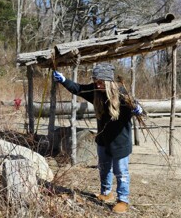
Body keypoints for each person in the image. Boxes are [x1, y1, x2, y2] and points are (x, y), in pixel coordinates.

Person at [53, 63, 143, 214]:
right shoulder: (95, 92)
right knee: (104, 168)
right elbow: (79, 89)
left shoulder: (122, 95)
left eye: (100, 81)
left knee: (121, 172)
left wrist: (138, 110)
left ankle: (123, 200)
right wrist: (63, 80)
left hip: (120, 142)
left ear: (107, 81)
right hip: (103, 140)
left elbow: (138, 107)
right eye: (95, 81)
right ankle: (106, 193)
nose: (97, 84)